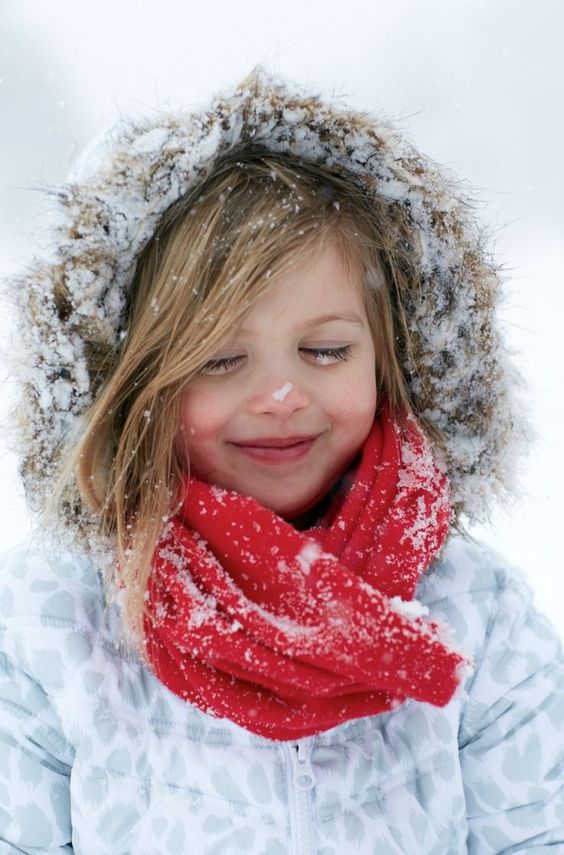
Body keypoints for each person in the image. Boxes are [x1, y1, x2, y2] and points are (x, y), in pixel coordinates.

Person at [0, 68, 562, 854]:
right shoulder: (53, 625)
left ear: (391, 361)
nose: (279, 395)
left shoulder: (478, 617)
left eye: (325, 350)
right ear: (138, 384)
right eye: (220, 359)